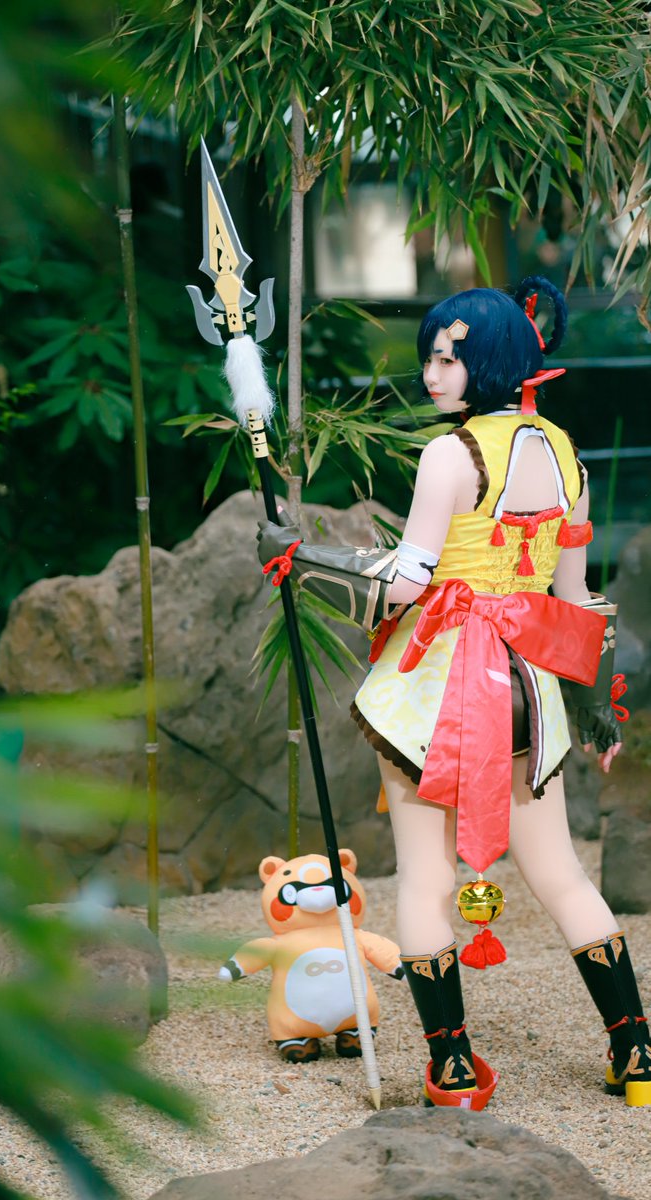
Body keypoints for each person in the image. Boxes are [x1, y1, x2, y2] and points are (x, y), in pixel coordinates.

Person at [257, 276, 650, 1109]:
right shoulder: (565, 453)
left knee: (424, 881)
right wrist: (593, 706)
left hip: (439, 686)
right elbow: (574, 601)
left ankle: (453, 1070)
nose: (430, 373)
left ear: (493, 360)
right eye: (429, 357)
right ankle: (637, 1053)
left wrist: (301, 557)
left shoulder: (450, 454)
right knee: (562, 875)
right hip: (529, 689)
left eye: (447, 358)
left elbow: (405, 584)